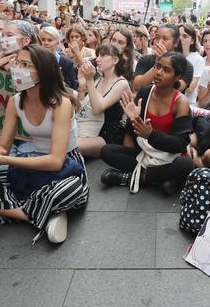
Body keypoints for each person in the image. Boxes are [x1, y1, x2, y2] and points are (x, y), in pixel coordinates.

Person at [0, 44, 89, 244]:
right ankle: (41, 215)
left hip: (67, 166)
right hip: (32, 162)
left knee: (65, 191)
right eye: (17, 62)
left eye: (25, 64)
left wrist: (6, 159)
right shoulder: (15, 101)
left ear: (43, 72)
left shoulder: (61, 103)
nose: (17, 68)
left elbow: (56, 162)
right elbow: (4, 146)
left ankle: (20, 208)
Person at [100, 52, 193, 195]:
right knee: (106, 151)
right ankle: (159, 179)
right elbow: (135, 134)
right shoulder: (145, 92)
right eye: (158, 66)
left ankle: (134, 177)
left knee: (186, 165)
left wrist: (151, 135)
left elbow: (179, 144)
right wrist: (133, 119)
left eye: (166, 70)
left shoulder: (181, 102)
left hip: (170, 158)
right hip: (144, 153)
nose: (158, 72)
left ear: (178, 77)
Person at [76, 44, 130, 157]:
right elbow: (81, 108)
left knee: (69, 145)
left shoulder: (121, 83)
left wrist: (89, 80)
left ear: (115, 60)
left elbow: (97, 109)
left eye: (103, 55)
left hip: (106, 136)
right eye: (97, 55)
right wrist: (81, 87)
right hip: (88, 127)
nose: (97, 59)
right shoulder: (99, 80)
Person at [133, 25, 194, 93]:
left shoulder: (186, 65)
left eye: (165, 39)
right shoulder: (145, 59)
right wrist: (157, 63)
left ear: (176, 43)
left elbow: (176, 90)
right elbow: (137, 86)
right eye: (157, 38)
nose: (159, 42)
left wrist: (165, 60)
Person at [38, 25, 78, 90]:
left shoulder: (67, 63)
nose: (46, 43)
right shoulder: (32, 60)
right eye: (43, 40)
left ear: (57, 43)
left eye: (50, 40)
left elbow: (72, 89)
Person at [177, 24, 206, 105]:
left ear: (192, 41)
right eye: (178, 35)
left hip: (187, 104)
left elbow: (190, 88)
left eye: (185, 36)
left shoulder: (198, 59)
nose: (180, 38)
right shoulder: (171, 55)